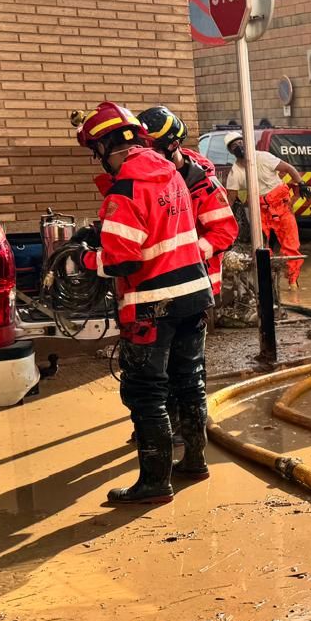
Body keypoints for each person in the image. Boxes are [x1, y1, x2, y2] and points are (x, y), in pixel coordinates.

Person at [71, 102, 214, 505]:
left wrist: (83, 257)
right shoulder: (172, 175)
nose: (97, 160)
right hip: (194, 295)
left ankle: (154, 482)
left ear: (107, 147)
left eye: (96, 151)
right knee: (189, 381)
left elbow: (123, 261)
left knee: (145, 392)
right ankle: (195, 462)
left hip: (152, 304)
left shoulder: (125, 190)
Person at [137, 106, 237, 478]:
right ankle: (165, 427)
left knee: (188, 368)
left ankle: (188, 439)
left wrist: (191, 252)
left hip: (193, 284)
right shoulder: (152, 179)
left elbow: (225, 232)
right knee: (156, 367)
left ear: (173, 145)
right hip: (159, 286)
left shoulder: (202, 184)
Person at [224, 131, 307, 286]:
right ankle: (266, 284)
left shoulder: (263, 157)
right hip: (260, 211)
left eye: (241, 142)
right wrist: (225, 217)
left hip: (282, 207)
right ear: (230, 151)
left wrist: (301, 183)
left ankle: (293, 282)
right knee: (260, 248)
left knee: (291, 246)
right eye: (234, 145)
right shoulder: (235, 172)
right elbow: (231, 197)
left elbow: (288, 168)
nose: (239, 146)